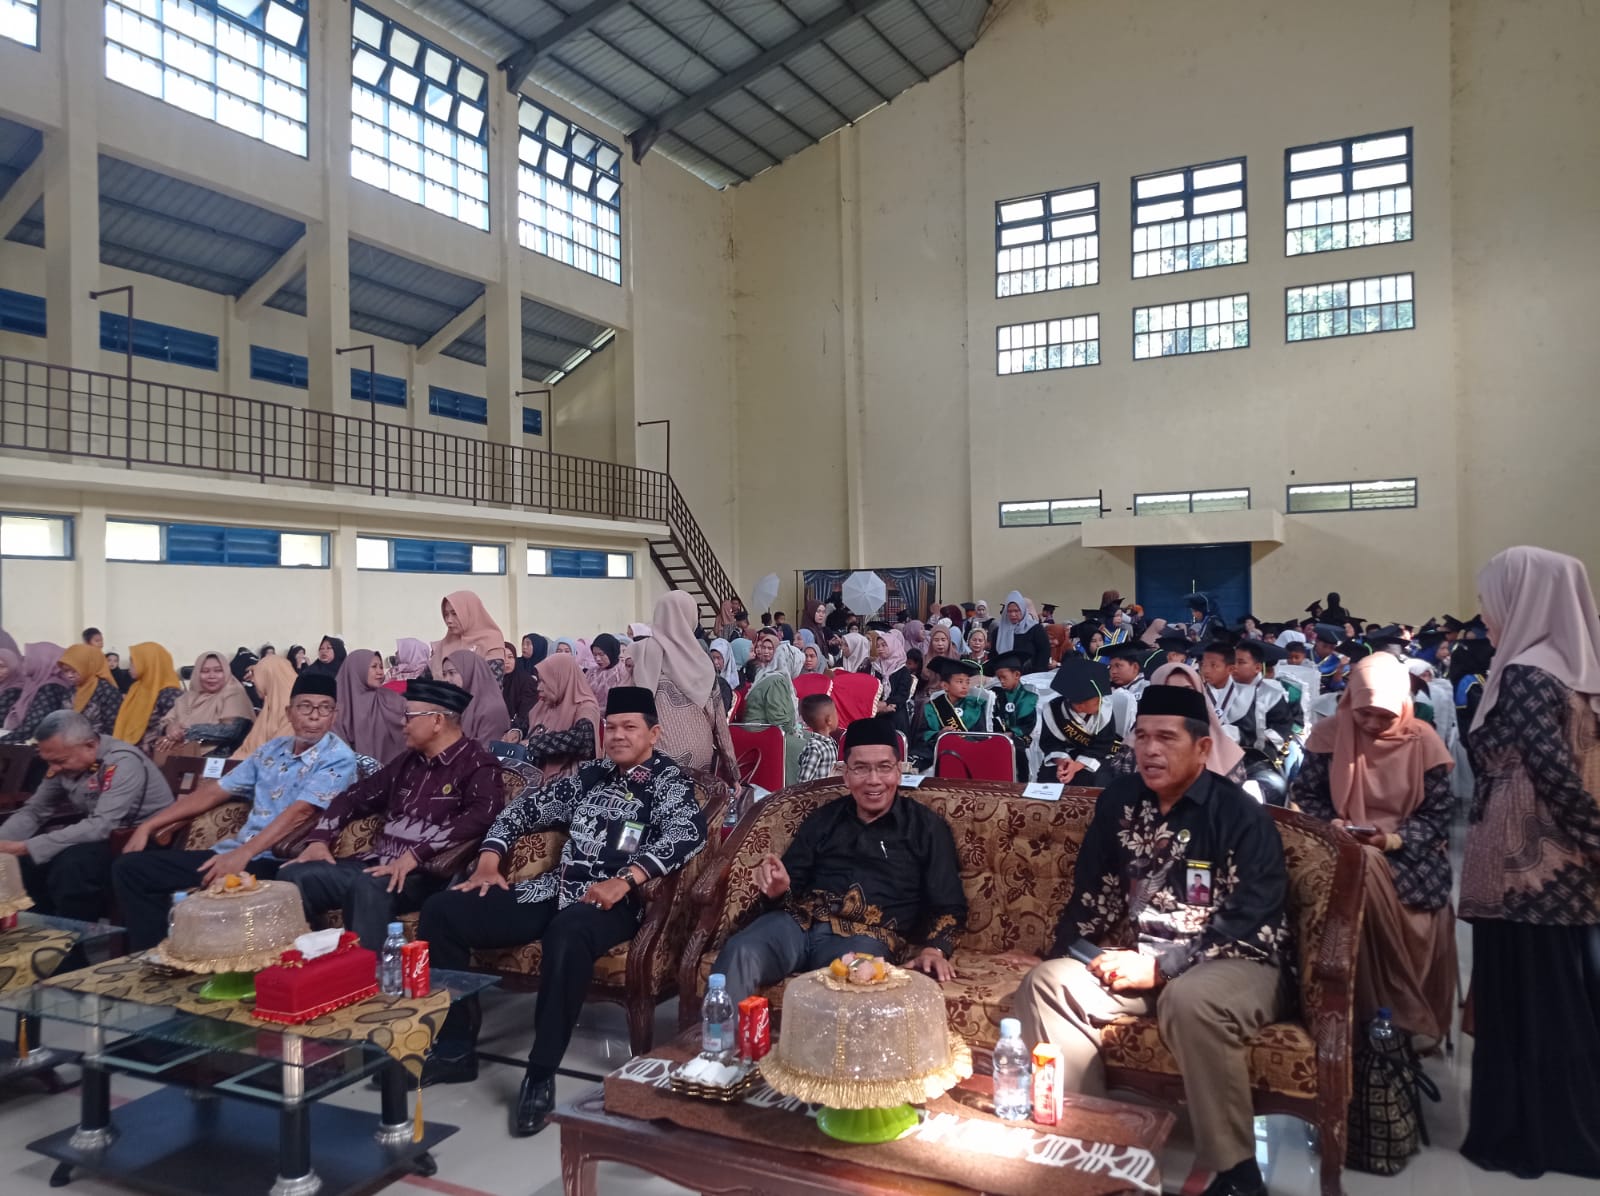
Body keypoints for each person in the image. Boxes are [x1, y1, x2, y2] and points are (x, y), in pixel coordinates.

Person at [1015, 684, 1289, 1196]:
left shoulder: (1238, 814)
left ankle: (1235, 1172)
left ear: (1203, 748)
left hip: (1235, 961)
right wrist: (1073, 951)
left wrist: (1164, 967)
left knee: (1191, 999)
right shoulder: (1121, 799)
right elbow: (1092, 889)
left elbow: (1252, 916)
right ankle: (1090, 1145)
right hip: (1141, 959)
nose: (1149, 750)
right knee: (1048, 983)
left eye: (1166, 737)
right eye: (1141, 736)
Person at [416, 687, 709, 1135]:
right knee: (442, 911)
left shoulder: (667, 782)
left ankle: (540, 1071)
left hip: (615, 904)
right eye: (610, 728)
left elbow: (687, 833)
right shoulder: (590, 776)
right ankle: (455, 1048)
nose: (617, 736)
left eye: (629, 727)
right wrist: (491, 857)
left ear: (654, 733)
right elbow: (522, 811)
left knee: (567, 933)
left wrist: (626, 878)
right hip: (553, 891)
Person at [1458, 546, 1600, 1180]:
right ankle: (1568, 1126)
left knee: (1523, 1006)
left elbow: (1550, 770)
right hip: (1567, 872)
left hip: (1522, 872)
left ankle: (1527, 1136)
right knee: (1563, 1000)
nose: (1488, 615)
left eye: (1494, 599)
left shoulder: (1522, 673)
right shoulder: (1579, 672)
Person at [712, 714, 967, 1006]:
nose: (873, 780)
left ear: (898, 772)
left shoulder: (925, 827)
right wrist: (779, 891)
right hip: (798, 924)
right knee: (742, 949)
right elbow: (786, 888)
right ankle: (719, 1047)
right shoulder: (824, 819)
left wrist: (935, 949)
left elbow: (949, 904)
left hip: (867, 937)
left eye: (884, 768)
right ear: (845, 775)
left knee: (855, 978)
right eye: (860, 769)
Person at [112, 673, 359, 949]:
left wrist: (244, 853)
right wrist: (148, 826)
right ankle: (159, 956)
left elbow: (301, 812)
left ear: (334, 716)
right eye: (305, 706)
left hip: (280, 861)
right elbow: (216, 791)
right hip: (236, 852)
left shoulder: (338, 757)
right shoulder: (271, 750)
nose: (315, 716)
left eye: (324, 708)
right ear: (289, 712)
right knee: (131, 869)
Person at [1291, 653, 1456, 1045]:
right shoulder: (1330, 736)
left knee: (1364, 869)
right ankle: (1353, 1011)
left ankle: (1385, 1012)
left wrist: (1391, 840)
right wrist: (1330, 826)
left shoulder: (1422, 740)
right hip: (1339, 844)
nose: (1372, 724)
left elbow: (1438, 813)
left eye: (1384, 716)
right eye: (1363, 714)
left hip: (1410, 853)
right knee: (1349, 868)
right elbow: (1306, 794)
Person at [282, 679, 502, 949]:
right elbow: (354, 797)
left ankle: (371, 982)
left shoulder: (477, 764)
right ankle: (308, 970)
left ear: (436, 721)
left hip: (423, 875)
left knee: (368, 886)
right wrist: (319, 838)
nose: (402, 723)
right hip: (376, 863)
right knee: (294, 879)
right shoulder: (408, 763)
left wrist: (416, 854)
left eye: (409, 716)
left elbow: (483, 815)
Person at [0, 711, 172, 922]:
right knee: (23, 863)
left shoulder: (122, 762)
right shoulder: (62, 764)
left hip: (141, 837)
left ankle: (75, 944)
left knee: (72, 867)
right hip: (102, 834)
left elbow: (103, 825)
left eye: (60, 761)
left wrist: (25, 846)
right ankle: (41, 934)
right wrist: (4, 843)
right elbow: (34, 811)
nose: (53, 768)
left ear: (90, 745)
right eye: (48, 761)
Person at [631, 591, 738, 781]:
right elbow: (720, 726)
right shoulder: (702, 661)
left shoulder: (639, 653)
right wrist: (733, 775)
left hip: (654, 758)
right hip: (698, 761)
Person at [153, 650, 257, 759]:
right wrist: (169, 728)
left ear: (226, 672)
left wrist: (184, 733)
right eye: (205, 671)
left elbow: (231, 731)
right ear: (197, 673)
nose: (211, 676)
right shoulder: (188, 697)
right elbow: (165, 722)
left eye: (218, 671)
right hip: (183, 756)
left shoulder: (234, 693)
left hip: (220, 761)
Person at [1037, 656, 1120, 784]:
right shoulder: (1053, 711)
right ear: (1079, 706)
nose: (1100, 704)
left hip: (1094, 756)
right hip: (1064, 755)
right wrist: (1062, 763)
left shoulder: (1105, 711)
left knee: (1093, 777)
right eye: (1096, 702)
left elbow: (1103, 745)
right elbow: (1049, 743)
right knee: (1049, 776)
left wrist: (1077, 766)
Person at [522, 655, 602, 781]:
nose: (539, 688)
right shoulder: (545, 704)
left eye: (544, 682)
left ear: (561, 680)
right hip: (535, 777)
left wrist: (534, 744)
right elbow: (526, 724)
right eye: (539, 681)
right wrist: (515, 732)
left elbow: (583, 740)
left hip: (570, 783)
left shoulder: (586, 707)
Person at [741, 640, 806, 784]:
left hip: (764, 731)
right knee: (808, 748)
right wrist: (797, 733)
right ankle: (797, 792)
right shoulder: (776, 681)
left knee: (812, 737)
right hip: (763, 733)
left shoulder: (772, 676)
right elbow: (779, 720)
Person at [1216, 641, 1295, 760]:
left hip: (1257, 754)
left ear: (1257, 667)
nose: (1234, 666)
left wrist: (1252, 738)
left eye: (1241, 662)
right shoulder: (1220, 688)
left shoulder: (1271, 694)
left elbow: (1282, 726)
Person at [332, 648, 406, 764]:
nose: (380, 672)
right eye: (374, 666)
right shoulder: (337, 709)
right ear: (356, 669)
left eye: (381, 667)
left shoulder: (390, 699)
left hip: (392, 774)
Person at [111, 643, 185, 756]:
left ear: (149, 663)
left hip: (155, 757)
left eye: (133, 662)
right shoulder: (136, 688)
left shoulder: (169, 693)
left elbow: (171, 730)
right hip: (130, 753)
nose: (129, 667)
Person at [919, 658, 994, 768]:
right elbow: (922, 734)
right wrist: (939, 734)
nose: (965, 686)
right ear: (945, 686)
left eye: (967, 682)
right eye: (960, 682)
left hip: (968, 751)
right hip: (938, 749)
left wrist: (959, 740)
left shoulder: (975, 706)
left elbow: (981, 736)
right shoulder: (932, 707)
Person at [0, 642, 71, 743]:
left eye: (27, 660)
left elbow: (32, 725)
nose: (23, 664)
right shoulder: (34, 684)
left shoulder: (51, 688)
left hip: (38, 747)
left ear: (42, 661)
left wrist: (3, 741)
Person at [439, 649, 513, 745]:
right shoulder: (457, 703)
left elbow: (487, 751)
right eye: (444, 674)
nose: (446, 679)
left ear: (469, 671)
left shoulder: (492, 708)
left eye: (452, 673)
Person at [232, 654, 298, 760]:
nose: (253, 681)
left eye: (257, 676)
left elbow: (276, 754)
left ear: (269, 676)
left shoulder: (292, 710)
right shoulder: (272, 704)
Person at [988, 652, 1040, 781]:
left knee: (1018, 751)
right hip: (1000, 736)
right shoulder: (997, 695)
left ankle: (1021, 783)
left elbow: (1029, 724)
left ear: (1017, 675)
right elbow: (993, 717)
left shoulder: (1028, 697)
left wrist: (1012, 733)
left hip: (1022, 738)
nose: (1001, 681)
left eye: (1004, 677)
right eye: (999, 678)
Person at [432, 591, 506, 676]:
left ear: (470, 612)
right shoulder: (445, 644)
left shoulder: (491, 640)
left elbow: (493, 682)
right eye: (446, 614)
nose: (449, 620)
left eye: (454, 614)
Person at [57, 642, 122, 737]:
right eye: (66, 671)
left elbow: (111, 728)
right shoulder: (72, 690)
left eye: (74, 670)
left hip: (97, 747)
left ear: (88, 667)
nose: (69, 675)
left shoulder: (107, 691)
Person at [871, 628, 917, 743]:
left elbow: (902, 695)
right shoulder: (875, 668)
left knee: (897, 717)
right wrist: (878, 706)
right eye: (878, 646)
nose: (880, 649)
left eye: (884, 645)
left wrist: (886, 704)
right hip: (877, 708)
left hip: (896, 708)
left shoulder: (903, 670)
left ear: (893, 646)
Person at [993, 591, 1050, 674]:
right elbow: (994, 656)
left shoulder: (1035, 629)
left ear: (1023, 610)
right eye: (1009, 611)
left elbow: (1044, 653)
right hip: (1003, 678)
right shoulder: (998, 632)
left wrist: (1036, 675)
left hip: (1031, 677)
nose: (1013, 614)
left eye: (1016, 611)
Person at [498, 641, 540, 740]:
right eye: (502, 657)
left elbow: (526, 714)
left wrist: (514, 730)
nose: (506, 661)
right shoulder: (493, 682)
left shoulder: (526, 682)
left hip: (517, 734)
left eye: (510, 657)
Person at [795, 693, 840, 783]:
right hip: (817, 795)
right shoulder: (815, 747)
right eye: (835, 713)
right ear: (829, 720)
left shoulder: (830, 742)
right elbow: (803, 781)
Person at [586, 633, 632, 714]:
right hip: (591, 716)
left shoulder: (623, 672)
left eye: (601, 654)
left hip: (615, 716)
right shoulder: (591, 673)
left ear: (611, 652)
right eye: (594, 655)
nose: (597, 659)